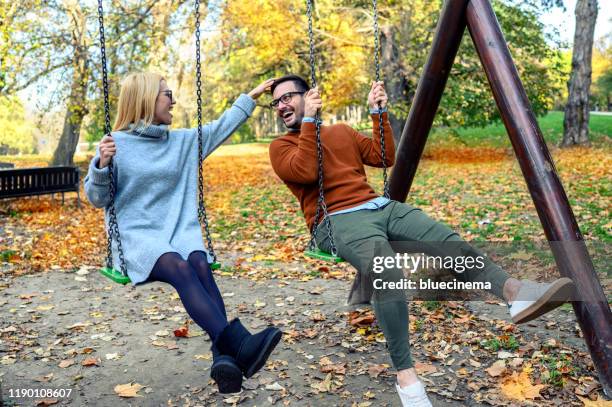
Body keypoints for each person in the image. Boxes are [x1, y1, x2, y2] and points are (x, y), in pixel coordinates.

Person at [267, 74, 574, 407]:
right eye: (276, 102)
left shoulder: (340, 131)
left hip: (380, 207)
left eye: (287, 97)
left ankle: (514, 293)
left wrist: (377, 113)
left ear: (308, 95)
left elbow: (384, 157)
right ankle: (406, 376)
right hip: (335, 221)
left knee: (444, 239)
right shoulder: (280, 147)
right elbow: (307, 171)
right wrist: (310, 120)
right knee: (387, 272)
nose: (282, 105)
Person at [84, 72, 282, 394]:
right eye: (167, 94)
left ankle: (225, 360)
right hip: (138, 235)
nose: (173, 99)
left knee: (199, 264)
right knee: (178, 265)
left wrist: (252, 96)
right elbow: (96, 198)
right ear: (147, 99)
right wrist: (102, 166)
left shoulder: (181, 141)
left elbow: (222, 126)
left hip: (177, 227)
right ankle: (239, 345)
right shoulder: (114, 144)